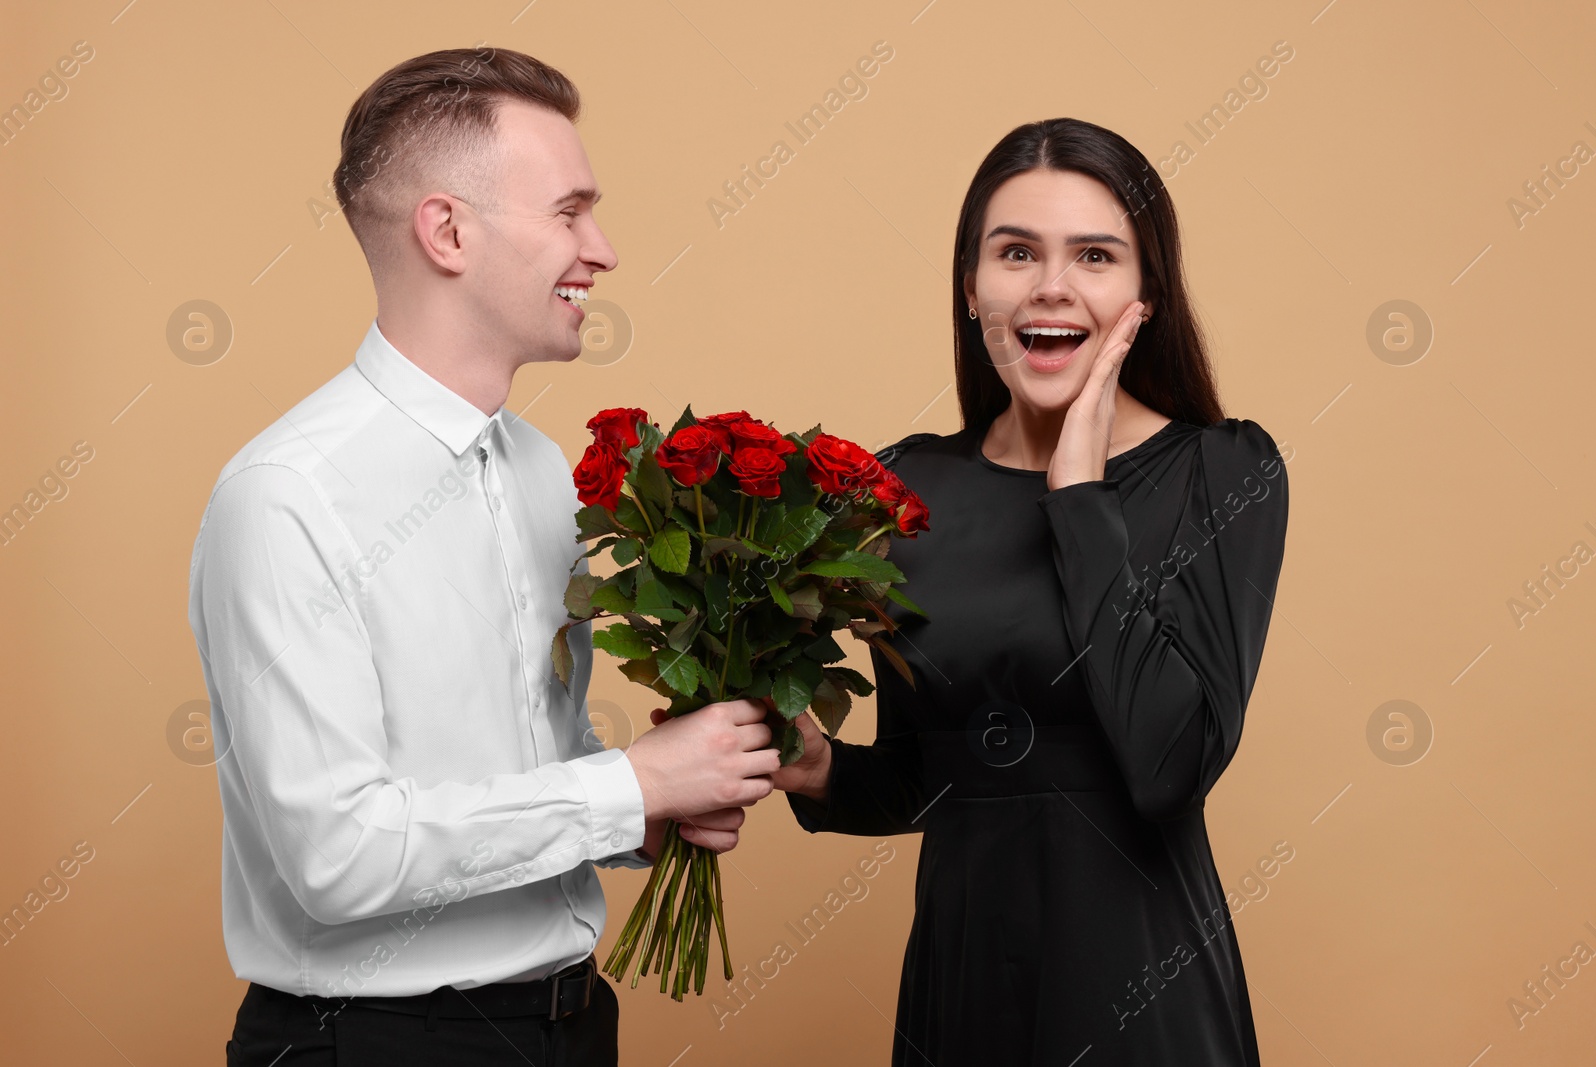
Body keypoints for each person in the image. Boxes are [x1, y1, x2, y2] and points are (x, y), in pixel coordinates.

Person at [186, 47, 778, 1066]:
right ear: (448, 230)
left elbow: (503, 770)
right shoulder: (285, 495)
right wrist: (629, 786)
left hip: (569, 1023)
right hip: (376, 1044)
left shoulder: (542, 469)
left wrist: (646, 814)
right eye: (569, 210)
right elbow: (339, 854)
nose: (603, 249)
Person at [772, 118, 1290, 1065]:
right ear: (973, 289)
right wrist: (821, 773)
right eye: (1016, 253)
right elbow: (932, 776)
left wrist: (1082, 497)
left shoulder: (1220, 471)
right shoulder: (905, 489)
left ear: (1146, 293)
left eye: (1095, 254)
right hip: (962, 986)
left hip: (1145, 992)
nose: (1051, 285)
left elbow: (1170, 768)